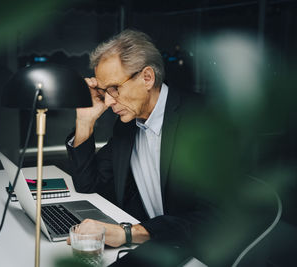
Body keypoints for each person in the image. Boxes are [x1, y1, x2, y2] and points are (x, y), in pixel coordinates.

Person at [65, 29, 235, 254]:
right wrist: (85, 122)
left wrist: (129, 233)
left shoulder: (204, 119)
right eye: (104, 90)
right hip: (152, 248)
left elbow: (216, 218)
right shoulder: (126, 124)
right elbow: (89, 185)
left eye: (114, 88)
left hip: (198, 252)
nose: (107, 100)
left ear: (147, 77)